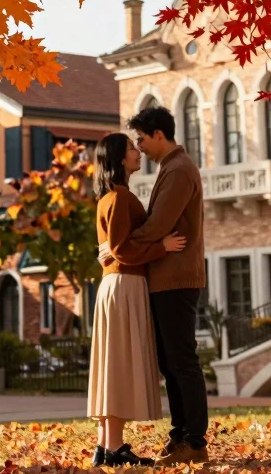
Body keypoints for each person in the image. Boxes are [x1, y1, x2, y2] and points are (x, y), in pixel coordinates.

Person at [100, 105, 208, 464]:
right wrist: (125, 248)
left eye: (142, 139)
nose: (140, 147)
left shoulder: (178, 170)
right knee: (170, 362)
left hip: (176, 279)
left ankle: (194, 440)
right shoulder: (170, 168)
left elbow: (158, 225)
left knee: (181, 360)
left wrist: (121, 248)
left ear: (158, 135)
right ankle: (180, 436)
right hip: (163, 278)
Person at [87, 131, 188, 467]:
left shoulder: (110, 197)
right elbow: (119, 248)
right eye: (132, 148)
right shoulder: (118, 198)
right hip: (124, 286)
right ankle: (114, 448)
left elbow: (111, 248)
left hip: (116, 285)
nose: (138, 152)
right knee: (118, 366)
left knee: (112, 365)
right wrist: (162, 248)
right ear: (118, 158)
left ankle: (105, 446)